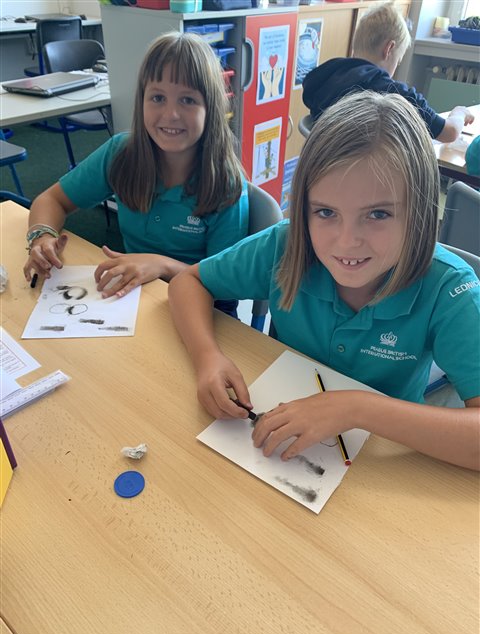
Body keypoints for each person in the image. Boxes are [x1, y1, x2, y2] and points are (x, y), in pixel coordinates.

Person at [169, 91, 480, 471]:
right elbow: (188, 282)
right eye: (326, 212)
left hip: (383, 459)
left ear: (418, 211)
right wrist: (207, 357)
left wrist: (358, 408)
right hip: (279, 442)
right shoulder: (286, 246)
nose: (347, 241)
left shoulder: (451, 291)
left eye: (378, 214)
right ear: (305, 208)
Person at [23, 32, 248, 314]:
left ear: (211, 107)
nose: (171, 114)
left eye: (188, 100)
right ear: (142, 101)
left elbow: (224, 285)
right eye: (157, 97)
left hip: (204, 309)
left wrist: (162, 265)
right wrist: (42, 236)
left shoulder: (225, 184)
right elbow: (52, 200)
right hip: (134, 299)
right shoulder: (121, 153)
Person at [302, 1, 474, 143]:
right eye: (398, 61)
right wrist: (459, 112)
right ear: (389, 49)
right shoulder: (393, 94)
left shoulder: (326, 76)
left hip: (321, 168)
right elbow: (449, 132)